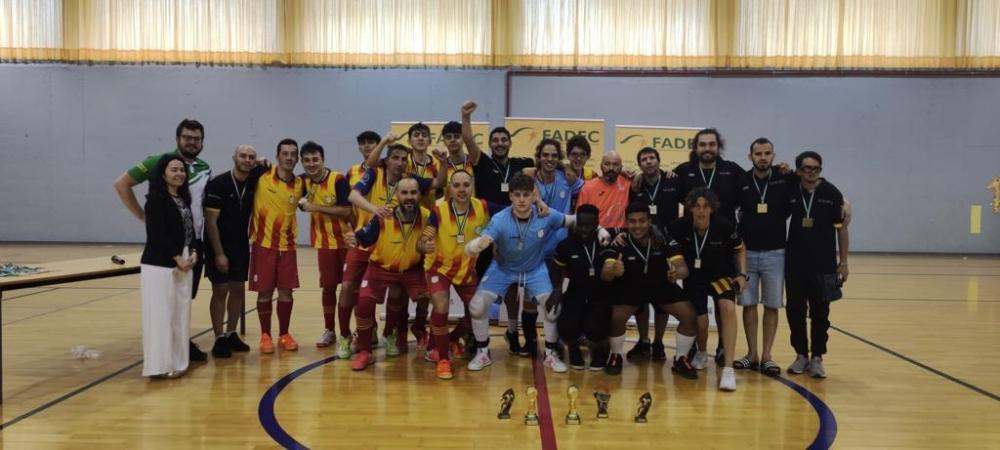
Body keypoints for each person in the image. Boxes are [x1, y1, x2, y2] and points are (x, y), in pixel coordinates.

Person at [114, 118, 211, 362]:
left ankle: (179, 344)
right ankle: (166, 352)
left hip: (194, 243)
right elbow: (122, 183)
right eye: (187, 137)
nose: (192, 142)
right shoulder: (157, 161)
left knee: (184, 298)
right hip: (168, 247)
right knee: (166, 299)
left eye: (196, 138)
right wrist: (142, 216)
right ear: (178, 138)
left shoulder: (203, 167)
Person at [464, 173, 573, 374]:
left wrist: (601, 230)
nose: (521, 200)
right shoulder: (500, 219)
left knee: (552, 308)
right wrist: (477, 245)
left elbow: (572, 221)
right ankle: (482, 352)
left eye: (526, 195)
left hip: (534, 269)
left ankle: (550, 354)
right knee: (477, 307)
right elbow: (470, 249)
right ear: (510, 197)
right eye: (517, 195)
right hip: (503, 269)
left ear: (533, 195)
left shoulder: (545, 214)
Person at [460, 100, 535, 356]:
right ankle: (474, 336)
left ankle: (512, 331)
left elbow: (552, 167)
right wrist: (465, 117)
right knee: (478, 285)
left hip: (515, 233)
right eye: (496, 140)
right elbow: (469, 142)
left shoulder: (520, 164)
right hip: (487, 231)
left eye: (504, 139)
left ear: (510, 143)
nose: (500, 143)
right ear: (491, 144)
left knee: (513, 286)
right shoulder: (481, 162)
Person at [352, 142, 439, 355]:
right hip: (380, 269)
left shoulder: (428, 216)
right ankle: (364, 350)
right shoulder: (383, 215)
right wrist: (352, 238)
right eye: (404, 193)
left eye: (413, 193)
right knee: (363, 301)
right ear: (397, 195)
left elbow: (426, 240)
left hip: (411, 271)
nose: (409, 197)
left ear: (420, 195)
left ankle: (412, 330)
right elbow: (363, 237)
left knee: (435, 296)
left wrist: (425, 245)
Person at [601, 202, 699, 379]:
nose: (637, 226)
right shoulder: (619, 241)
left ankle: (680, 358)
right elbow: (605, 274)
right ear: (626, 222)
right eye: (632, 221)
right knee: (615, 316)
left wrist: (677, 273)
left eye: (642, 221)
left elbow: (683, 268)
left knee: (690, 315)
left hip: (660, 285)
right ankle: (615, 355)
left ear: (649, 221)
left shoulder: (663, 239)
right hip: (630, 287)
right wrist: (613, 270)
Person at [673, 128, 744, 364]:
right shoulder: (684, 171)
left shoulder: (731, 170)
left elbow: (756, 183)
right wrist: (637, 177)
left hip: (722, 250)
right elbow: (660, 188)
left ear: (718, 146)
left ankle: (724, 347)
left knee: (725, 304)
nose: (707, 148)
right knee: (698, 309)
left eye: (711, 144)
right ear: (696, 148)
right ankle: (697, 348)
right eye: (702, 144)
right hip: (694, 249)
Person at [423, 170, 504, 379]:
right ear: (450, 188)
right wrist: (425, 243)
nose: (461, 190)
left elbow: (509, 213)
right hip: (438, 268)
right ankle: (442, 358)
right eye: (456, 185)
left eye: (466, 185)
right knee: (441, 307)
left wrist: (536, 204)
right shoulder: (438, 210)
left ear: (472, 186)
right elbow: (426, 236)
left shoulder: (483, 207)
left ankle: (451, 339)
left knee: (477, 311)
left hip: (467, 270)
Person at [668, 188, 747, 391]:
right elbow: (674, 254)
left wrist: (742, 275)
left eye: (705, 206)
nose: (701, 211)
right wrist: (677, 271)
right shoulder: (679, 227)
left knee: (728, 309)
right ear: (690, 208)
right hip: (695, 279)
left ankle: (728, 368)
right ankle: (702, 353)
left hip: (720, 276)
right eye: (697, 206)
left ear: (712, 208)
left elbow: (740, 248)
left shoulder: (724, 226)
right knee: (701, 322)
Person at [785, 151, 849, 379]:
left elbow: (841, 229)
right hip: (794, 264)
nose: (811, 172)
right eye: (807, 168)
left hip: (824, 265)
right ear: (799, 170)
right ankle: (801, 354)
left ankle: (817, 357)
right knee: (795, 311)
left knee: (821, 313)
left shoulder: (832, 194)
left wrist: (844, 263)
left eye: (816, 168)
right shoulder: (791, 188)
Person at [734, 138, 789, 376]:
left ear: (774, 156)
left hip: (775, 253)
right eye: (758, 153)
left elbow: (812, 183)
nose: (763, 157)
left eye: (767, 153)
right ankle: (751, 354)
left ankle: (767, 356)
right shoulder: (741, 181)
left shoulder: (784, 178)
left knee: (772, 305)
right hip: (746, 253)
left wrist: (844, 203)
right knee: (748, 305)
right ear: (750, 157)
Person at [203, 145, 264, 358]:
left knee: (238, 289)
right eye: (243, 156)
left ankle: (231, 333)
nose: (247, 160)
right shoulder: (218, 184)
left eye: (251, 157)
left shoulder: (255, 179)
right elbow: (210, 222)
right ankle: (219, 338)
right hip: (217, 244)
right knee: (220, 290)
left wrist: (264, 162)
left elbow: (270, 168)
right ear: (234, 158)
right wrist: (219, 253)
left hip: (240, 245)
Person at [140, 154, 198, 378]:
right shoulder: (155, 200)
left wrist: (193, 253)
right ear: (163, 173)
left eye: (182, 170)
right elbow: (157, 234)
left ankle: (179, 363)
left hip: (184, 262)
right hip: (160, 265)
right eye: (174, 170)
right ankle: (159, 366)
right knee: (161, 316)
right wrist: (176, 257)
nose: (179, 174)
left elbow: (189, 230)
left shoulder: (183, 199)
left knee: (180, 315)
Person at [625, 147, 684, 361]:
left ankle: (658, 342)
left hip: (665, 247)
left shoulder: (673, 181)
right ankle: (643, 341)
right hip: (640, 246)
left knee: (662, 299)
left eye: (652, 158)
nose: (648, 162)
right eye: (644, 159)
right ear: (640, 165)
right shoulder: (636, 185)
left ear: (659, 161)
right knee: (641, 298)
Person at [249, 138, 305, 354]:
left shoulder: (301, 184)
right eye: (285, 153)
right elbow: (242, 169)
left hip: (288, 247)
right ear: (277, 156)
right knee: (264, 293)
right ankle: (265, 335)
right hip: (263, 245)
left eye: (293, 154)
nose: (289, 157)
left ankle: (284, 333)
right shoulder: (262, 175)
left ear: (297, 159)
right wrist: (257, 161)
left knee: (286, 293)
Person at [299, 141, 354, 348]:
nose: (312, 164)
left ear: (323, 160)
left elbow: (346, 211)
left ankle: (355, 331)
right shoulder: (302, 182)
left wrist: (315, 207)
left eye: (315, 159)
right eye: (307, 160)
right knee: (329, 288)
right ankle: (330, 330)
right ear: (302, 163)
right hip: (324, 244)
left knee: (351, 289)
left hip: (348, 242)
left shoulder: (337, 179)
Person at [337, 130, 383, 358]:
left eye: (371, 143)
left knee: (370, 293)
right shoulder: (352, 172)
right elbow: (346, 208)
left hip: (383, 243)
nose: (367, 147)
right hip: (358, 241)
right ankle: (345, 336)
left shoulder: (384, 169)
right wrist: (348, 233)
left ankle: (372, 330)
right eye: (363, 143)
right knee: (347, 288)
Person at [551, 204, 613, 371]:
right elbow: (556, 271)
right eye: (581, 224)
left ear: (597, 224)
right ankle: (573, 347)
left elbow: (626, 232)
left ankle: (601, 348)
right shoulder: (565, 245)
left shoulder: (605, 242)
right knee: (567, 326)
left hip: (600, 295)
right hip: (575, 293)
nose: (584, 229)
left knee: (596, 327)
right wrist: (557, 290)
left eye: (589, 225)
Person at [576, 151, 630, 229]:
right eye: (607, 164)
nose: (611, 168)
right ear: (601, 166)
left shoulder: (628, 184)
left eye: (616, 164)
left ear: (621, 167)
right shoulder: (587, 188)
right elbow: (579, 218)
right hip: (596, 235)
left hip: (620, 236)